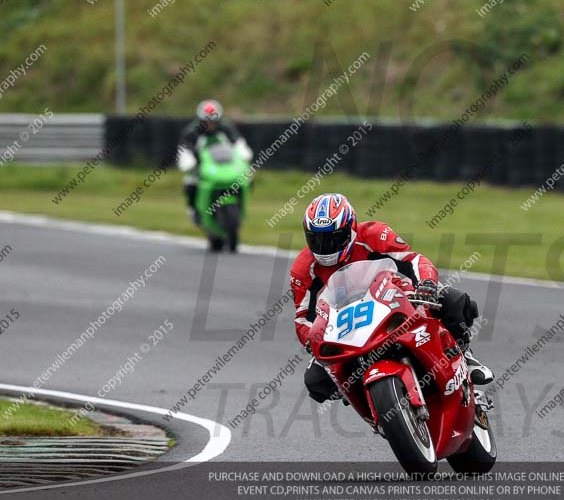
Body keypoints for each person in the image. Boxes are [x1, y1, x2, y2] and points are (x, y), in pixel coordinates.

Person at [290, 193, 493, 403]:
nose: (325, 247)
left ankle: (464, 356)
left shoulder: (375, 235)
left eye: (334, 238)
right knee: (316, 381)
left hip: (392, 298)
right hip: (346, 326)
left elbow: (414, 260)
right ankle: (368, 397)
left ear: (351, 229)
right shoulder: (303, 269)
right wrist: (312, 339)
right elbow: (303, 317)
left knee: (453, 300)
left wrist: (427, 284)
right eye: (316, 239)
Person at [177, 100, 253, 224]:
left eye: (213, 121)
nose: (210, 124)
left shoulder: (227, 128)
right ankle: (194, 210)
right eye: (206, 121)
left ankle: (240, 205)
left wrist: (244, 155)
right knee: (190, 182)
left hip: (227, 165)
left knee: (247, 177)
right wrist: (188, 162)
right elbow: (184, 150)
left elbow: (239, 144)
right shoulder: (192, 131)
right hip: (202, 167)